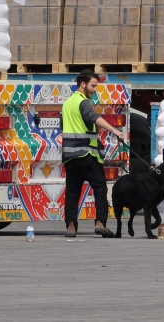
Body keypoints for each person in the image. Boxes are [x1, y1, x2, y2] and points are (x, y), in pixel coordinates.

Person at [62, 69, 125, 238]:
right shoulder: (84, 102)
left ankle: (71, 225)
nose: (95, 90)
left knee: (72, 191)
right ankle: (100, 223)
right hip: (87, 154)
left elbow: (65, 126)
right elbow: (94, 118)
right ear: (83, 84)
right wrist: (115, 131)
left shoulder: (67, 103)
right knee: (100, 187)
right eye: (93, 86)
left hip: (70, 156)